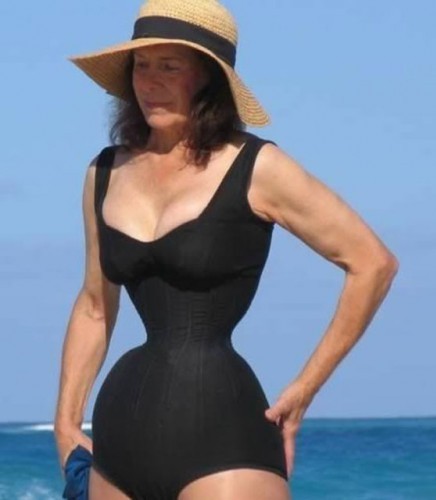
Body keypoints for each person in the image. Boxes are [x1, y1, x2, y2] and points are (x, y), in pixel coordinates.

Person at [54, 0, 399, 499]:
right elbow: (94, 306)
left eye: (169, 67)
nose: (149, 81)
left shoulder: (258, 167)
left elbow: (372, 263)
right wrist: (65, 420)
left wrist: (303, 390)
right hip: (120, 439)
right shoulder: (104, 172)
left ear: (208, 78)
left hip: (224, 436)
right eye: (141, 66)